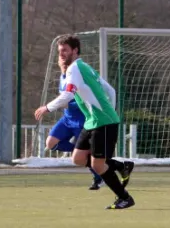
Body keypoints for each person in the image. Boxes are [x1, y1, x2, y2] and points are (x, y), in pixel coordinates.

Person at [35, 34, 135, 210]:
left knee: (98, 164)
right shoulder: (84, 67)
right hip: (92, 122)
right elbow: (110, 91)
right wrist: (108, 110)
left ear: (75, 50)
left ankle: (124, 198)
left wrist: (47, 108)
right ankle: (121, 166)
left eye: (65, 50)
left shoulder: (75, 69)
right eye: (60, 51)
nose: (62, 54)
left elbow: (68, 95)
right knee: (78, 158)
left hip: (102, 122)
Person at [37, 56, 104, 190]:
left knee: (86, 154)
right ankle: (78, 151)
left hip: (81, 119)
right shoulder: (62, 77)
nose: (62, 62)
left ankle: (99, 177)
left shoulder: (76, 76)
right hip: (67, 119)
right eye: (60, 60)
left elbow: (72, 97)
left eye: (64, 60)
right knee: (51, 143)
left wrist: (50, 107)